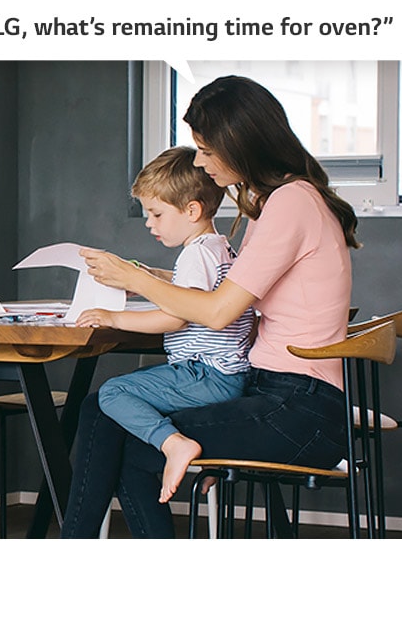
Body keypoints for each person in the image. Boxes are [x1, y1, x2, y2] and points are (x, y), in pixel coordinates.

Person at [61, 75, 359, 538]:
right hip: (279, 394)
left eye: (205, 149)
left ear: (239, 143)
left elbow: (218, 311)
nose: (199, 161)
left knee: (114, 424)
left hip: (298, 409)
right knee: (108, 414)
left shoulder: (290, 203)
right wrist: (143, 278)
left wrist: (135, 278)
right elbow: (222, 294)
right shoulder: (280, 201)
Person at [73, 147, 256, 465]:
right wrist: (152, 277)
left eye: (156, 214)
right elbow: (192, 292)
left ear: (192, 211)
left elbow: (176, 319)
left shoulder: (195, 254)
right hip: (228, 374)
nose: (149, 223)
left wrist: (112, 318)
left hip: (206, 375)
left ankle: (173, 444)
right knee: (135, 384)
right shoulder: (217, 247)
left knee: (114, 393)